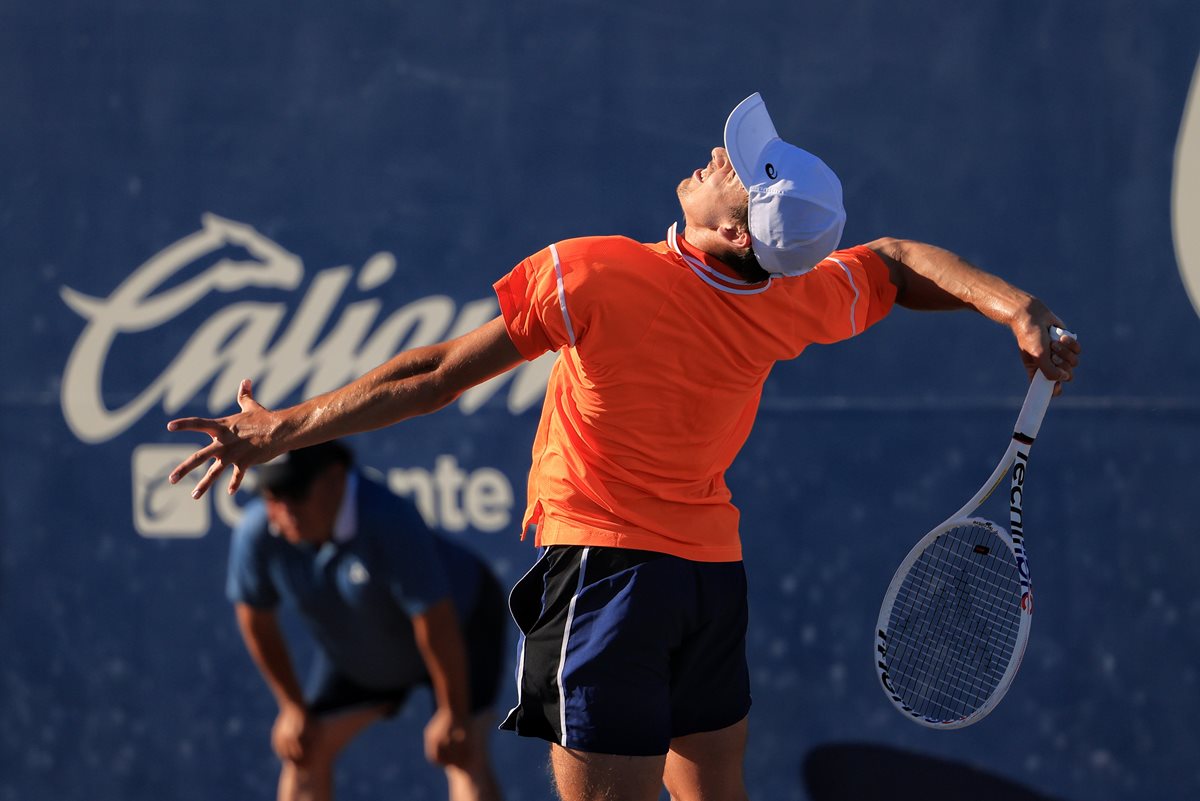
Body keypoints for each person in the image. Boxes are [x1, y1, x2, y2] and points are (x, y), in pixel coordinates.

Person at [167, 92, 1081, 801]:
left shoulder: (595, 274)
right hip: (708, 580)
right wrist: (1018, 308)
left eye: (739, 170)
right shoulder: (795, 295)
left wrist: (278, 429)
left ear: (735, 230)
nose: (719, 155)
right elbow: (897, 261)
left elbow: (434, 374)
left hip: (607, 582)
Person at [225, 439, 506, 801]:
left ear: (335, 478)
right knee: (304, 747)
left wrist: (453, 713)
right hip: (362, 640)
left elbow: (435, 619)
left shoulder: (388, 517)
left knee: (463, 754)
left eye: (296, 492)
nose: (284, 509)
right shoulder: (257, 532)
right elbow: (256, 622)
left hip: (460, 625)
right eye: (272, 495)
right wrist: (292, 707)